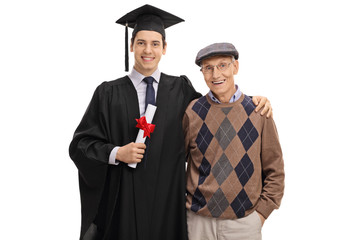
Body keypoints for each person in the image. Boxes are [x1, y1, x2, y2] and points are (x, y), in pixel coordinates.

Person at [69, 5, 272, 240]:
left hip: (168, 207)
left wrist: (250, 101)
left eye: (155, 43)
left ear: (164, 48)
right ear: (131, 45)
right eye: (142, 42)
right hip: (123, 207)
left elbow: (216, 108)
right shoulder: (107, 93)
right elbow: (80, 145)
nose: (148, 50)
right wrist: (117, 152)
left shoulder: (180, 89)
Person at [183, 42, 285, 240]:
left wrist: (261, 215)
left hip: (244, 224)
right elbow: (176, 161)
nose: (215, 75)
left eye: (222, 65)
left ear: (235, 67)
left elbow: (275, 169)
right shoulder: (192, 112)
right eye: (208, 68)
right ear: (202, 73)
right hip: (198, 223)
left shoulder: (259, 112)